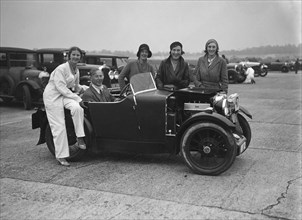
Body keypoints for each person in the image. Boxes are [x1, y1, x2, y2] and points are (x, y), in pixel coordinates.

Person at [43, 46, 87, 166]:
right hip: (52, 97)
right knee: (59, 126)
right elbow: (61, 88)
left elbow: (76, 86)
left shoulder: (76, 70)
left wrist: (87, 89)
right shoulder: (61, 69)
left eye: (78, 55)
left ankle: (80, 137)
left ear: (80, 57)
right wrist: (78, 98)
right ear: (69, 56)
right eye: (73, 55)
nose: (75, 57)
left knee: (77, 108)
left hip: (64, 95)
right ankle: (61, 156)